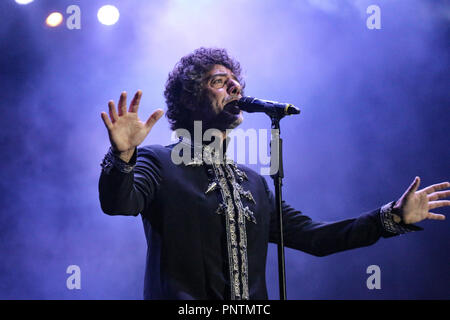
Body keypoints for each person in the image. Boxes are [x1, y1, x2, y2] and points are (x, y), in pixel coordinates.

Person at [98, 47, 449, 300]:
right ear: (190, 98)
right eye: (219, 81)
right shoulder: (158, 162)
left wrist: (390, 217)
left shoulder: (255, 182)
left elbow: (316, 238)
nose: (235, 87)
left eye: (236, 81)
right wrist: (123, 154)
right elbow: (119, 203)